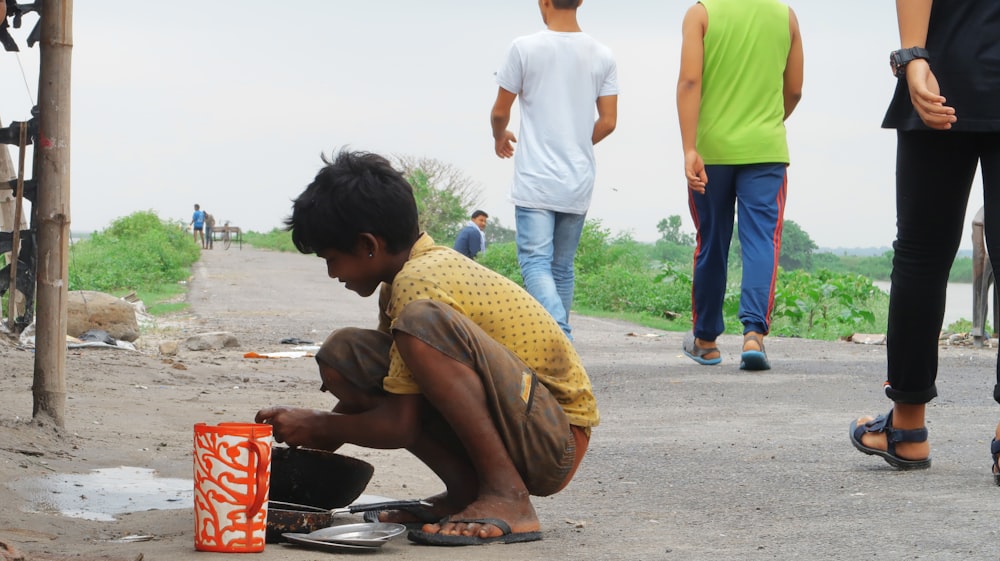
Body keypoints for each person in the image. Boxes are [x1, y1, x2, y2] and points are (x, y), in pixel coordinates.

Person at [255, 150, 598, 545]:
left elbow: (401, 424)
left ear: (369, 245)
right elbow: (391, 391)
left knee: (421, 322)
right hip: (528, 428)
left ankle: (508, 496)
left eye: (332, 258)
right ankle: (468, 491)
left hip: (554, 441)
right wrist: (321, 439)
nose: (332, 273)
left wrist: (319, 423)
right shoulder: (400, 283)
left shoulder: (419, 284)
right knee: (343, 354)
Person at [851, 1, 1000, 476]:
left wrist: (914, 56)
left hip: (946, 67)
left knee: (921, 253)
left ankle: (907, 429)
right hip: (948, 71)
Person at [676, 0, 803, 370]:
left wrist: (688, 148)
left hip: (710, 150)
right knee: (761, 240)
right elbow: (793, 90)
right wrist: (763, 123)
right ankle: (753, 336)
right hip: (766, 151)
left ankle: (706, 340)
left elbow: (689, 80)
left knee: (712, 240)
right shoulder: (786, 16)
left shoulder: (701, 14)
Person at [490, 0, 618, 340]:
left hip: (536, 178)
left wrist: (499, 136)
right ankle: (560, 352)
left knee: (535, 263)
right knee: (562, 267)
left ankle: (559, 332)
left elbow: (500, 112)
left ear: (543, 2)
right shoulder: (603, 55)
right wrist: (576, 143)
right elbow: (608, 122)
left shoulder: (524, 48)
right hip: (578, 177)